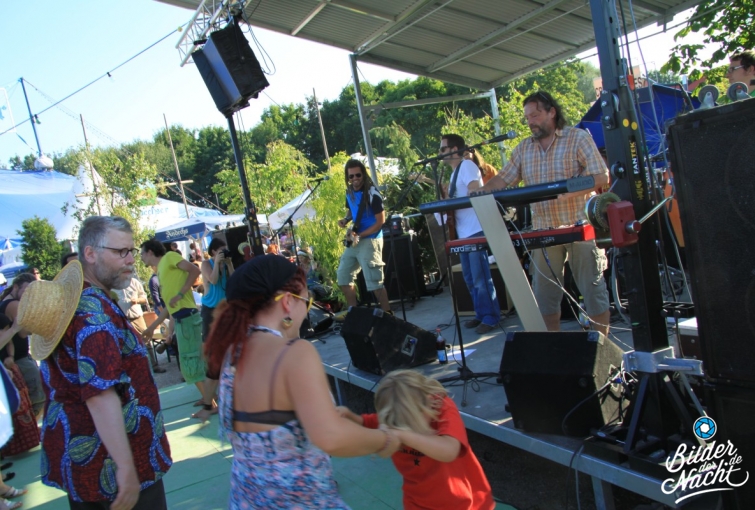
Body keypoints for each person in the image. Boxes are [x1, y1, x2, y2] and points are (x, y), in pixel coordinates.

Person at [204, 255, 400, 508]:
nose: (306, 313)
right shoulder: (293, 353)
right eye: (306, 303)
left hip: (246, 499)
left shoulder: (232, 353)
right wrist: (386, 439)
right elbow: (331, 437)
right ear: (287, 302)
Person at [36, 216, 171, 509]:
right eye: (120, 251)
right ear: (90, 253)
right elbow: (99, 393)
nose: (130, 259)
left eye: (131, 251)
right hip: (109, 467)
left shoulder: (83, 301)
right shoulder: (92, 312)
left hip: (94, 462)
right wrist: (125, 467)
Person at [480, 91, 611, 336]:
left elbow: (602, 176)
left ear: (552, 112)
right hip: (543, 231)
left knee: (593, 294)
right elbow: (503, 179)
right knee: (545, 299)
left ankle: (602, 350)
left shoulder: (577, 138)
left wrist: (569, 191)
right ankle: (553, 348)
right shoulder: (523, 148)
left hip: (579, 226)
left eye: (535, 115)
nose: (530, 121)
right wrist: (479, 192)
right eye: (527, 117)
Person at [338, 370, 494, 510]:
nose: (405, 428)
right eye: (398, 425)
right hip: (417, 501)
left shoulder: (442, 407)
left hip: (463, 502)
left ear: (428, 403)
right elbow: (369, 422)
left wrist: (402, 435)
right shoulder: (396, 417)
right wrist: (350, 416)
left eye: (410, 424)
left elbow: (449, 451)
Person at [140, 239, 215, 421]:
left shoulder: (169, 258)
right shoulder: (161, 270)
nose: (140, 257)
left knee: (190, 364)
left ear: (150, 252)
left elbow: (195, 270)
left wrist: (181, 294)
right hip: (184, 320)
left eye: (142, 253)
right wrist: (151, 328)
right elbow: (169, 307)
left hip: (187, 319)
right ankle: (209, 399)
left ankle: (210, 404)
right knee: (193, 363)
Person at [437, 134, 500, 334]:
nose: (440, 153)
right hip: (463, 233)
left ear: (455, 149)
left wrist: (458, 197)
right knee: (470, 278)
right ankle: (481, 313)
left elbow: (475, 189)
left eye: (443, 149)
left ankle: (490, 317)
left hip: (475, 230)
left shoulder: (467, 166)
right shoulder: (454, 173)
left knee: (480, 277)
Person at [336, 159, 391, 314]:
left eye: (358, 175)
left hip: (371, 239)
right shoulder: (349, 191)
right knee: (343, 276)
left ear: (363, 174)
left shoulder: (373, 193)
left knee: (375, 283)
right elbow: (352, 210)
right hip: (355, 240)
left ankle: (388, 315)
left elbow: (380, 222)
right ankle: (354, 313)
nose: (355, 178)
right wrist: (346, 220)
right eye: (351, 176)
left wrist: (359, 234)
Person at [0, 273, 45, 417]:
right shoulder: (14, 304)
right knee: (38, 398)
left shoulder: (6, 302)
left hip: (15, 358)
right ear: (16, 287)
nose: (29, 295)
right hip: (20, 360)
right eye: (26, 290)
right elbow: (24, 332)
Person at [113, 277, 166, 374]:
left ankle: (154, 366)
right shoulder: (113, 283)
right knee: (125, 344)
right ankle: (134, 369)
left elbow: (144, 298)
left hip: (136, 317)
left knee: (146, 340)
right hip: (121, 319)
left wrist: (137, 300)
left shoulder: (134, 282)